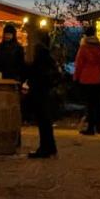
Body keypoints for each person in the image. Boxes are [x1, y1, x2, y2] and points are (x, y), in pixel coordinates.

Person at [24, 29, 59, 158]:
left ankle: (45, 148)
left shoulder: (39, 52)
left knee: (43, 119)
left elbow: (35, 70)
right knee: (45, 119)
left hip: (39, 88)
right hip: (44, 88)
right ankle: (50, 147)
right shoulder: (46, 52)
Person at [73, 25, 100, 135]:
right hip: (98, 78)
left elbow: (79, 64)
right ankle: (98, 126)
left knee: (89, 104)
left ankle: (91, 128)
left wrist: (76, 77)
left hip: (86, 78)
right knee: (97, 102)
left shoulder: (84, 48)